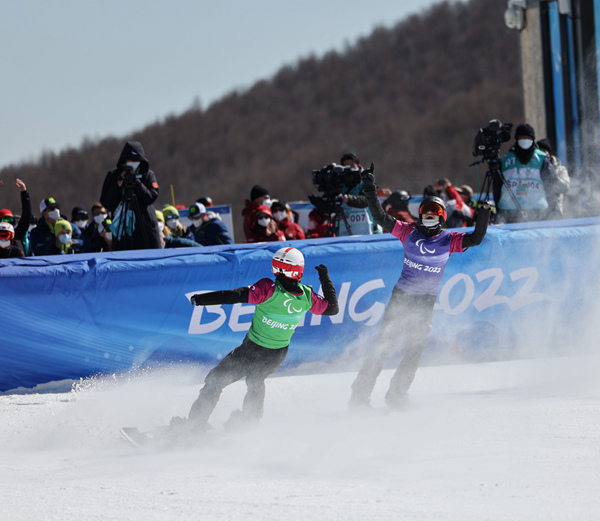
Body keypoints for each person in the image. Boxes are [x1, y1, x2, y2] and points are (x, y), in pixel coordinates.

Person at [349, 165, 491, 409]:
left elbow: (476, 238)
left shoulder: (449, 239)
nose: (428, 216)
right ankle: (358, 395)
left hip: (425, 303)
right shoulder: (408, 232)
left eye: (434, 213)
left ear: (442, 218)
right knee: (384, 348)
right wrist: (370, 188)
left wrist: (484, 213)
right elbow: (380, 218)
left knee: (413, 353)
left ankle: (397, 395)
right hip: (402, 299)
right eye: (425, 213)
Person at [171, 247, 339, 433]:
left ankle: (193, 428)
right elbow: (332, 308)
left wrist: (203, 299)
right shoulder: (307, 296)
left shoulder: (269, 289)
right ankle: (249, 425)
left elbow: (236, 295)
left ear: (275, 268)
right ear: (299, 271)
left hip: (251, 351)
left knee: (214, 382)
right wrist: (325, 277)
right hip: (277, 354)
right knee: (256, 381)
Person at [99, 141, 162, 250]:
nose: (133, 163)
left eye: (136, 161)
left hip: (145, 227)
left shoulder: (147, 174)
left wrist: (137, 182)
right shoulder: (114, 175)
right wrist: (118, 185)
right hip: (123, 230)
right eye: (130, 160)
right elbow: (106, 202)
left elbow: (151, 197)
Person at [495, 123, 560, 224]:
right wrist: (499, 211)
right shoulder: (505, 160)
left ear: (533, 139)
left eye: (528, 137)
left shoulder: (541, 159)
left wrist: (552, 210)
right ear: (517, 139)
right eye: (522, 137)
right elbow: (496, 186)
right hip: (509, 212)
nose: (525, 140)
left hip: (538, 211)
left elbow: (551, 185)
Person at [536, 139, 571, 220]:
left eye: (544, 151)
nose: (541, 154)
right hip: (538, 214)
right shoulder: (533, 170)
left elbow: (565, 187)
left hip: (555, 214)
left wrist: (550, 179)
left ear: (549, 153)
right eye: (539, 151)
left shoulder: (560, 169)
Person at [0, 178, 32, 255]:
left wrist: (24, 193)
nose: (7, 223)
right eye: (4, 220)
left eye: (9, 220)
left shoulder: (17, 237)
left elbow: (26, 216)